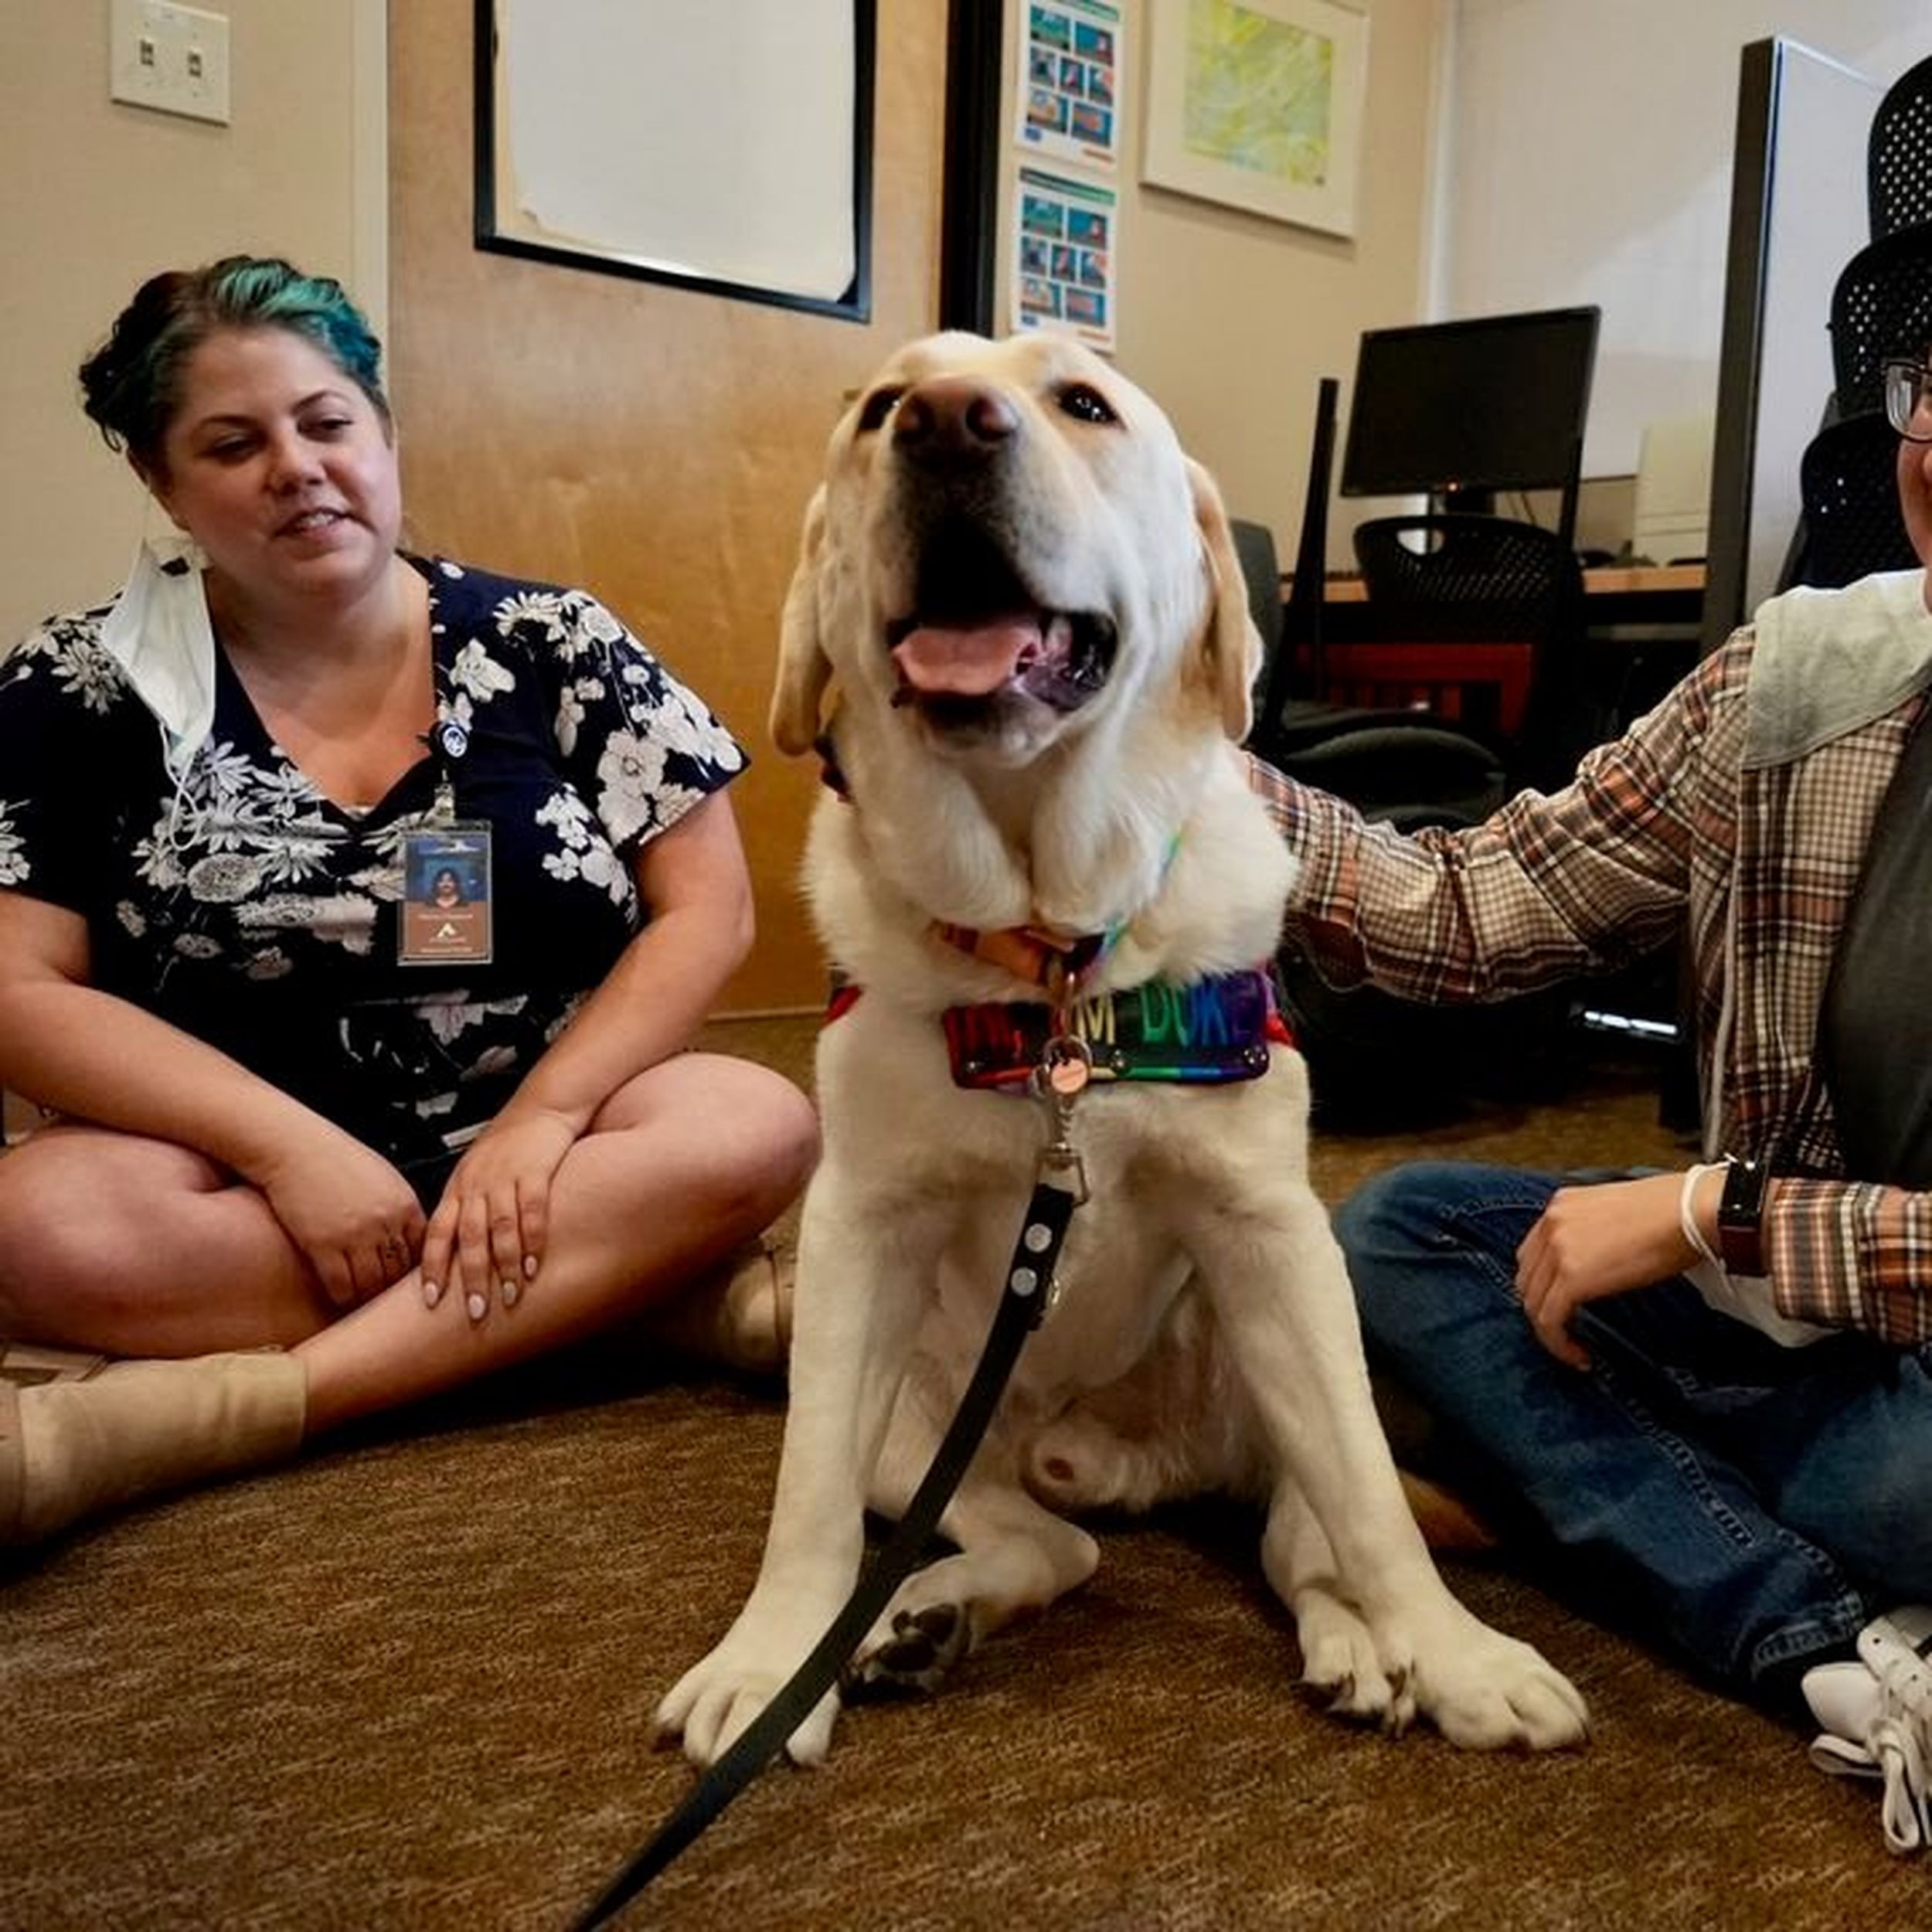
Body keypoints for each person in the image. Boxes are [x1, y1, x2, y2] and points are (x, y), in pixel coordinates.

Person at [0, 256, 819, 1553]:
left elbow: (705, 910)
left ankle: (242, 1408)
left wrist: (543, 1123)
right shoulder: (75, 687)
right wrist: (289, 1150)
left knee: (754, 1121)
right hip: (244, 1176)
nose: (297, 466)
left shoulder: (555, 638)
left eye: (328, 423)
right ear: (163, 483)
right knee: (34, 1226)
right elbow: (17, 989)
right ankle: (627, 1296)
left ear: (383, 434)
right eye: (233, 443)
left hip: (558, 1128)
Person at [1253, 345, 1932, 1856]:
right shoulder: (1798, 678)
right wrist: (1198, 789)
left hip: (1857, 1336)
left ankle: (1674, 1524)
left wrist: (1710, 1208)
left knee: (1904, 1472)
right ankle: (1836, 1640)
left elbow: (1735, 1221)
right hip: (1802, 1334)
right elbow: (1480, 902)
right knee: (1401, 1232)